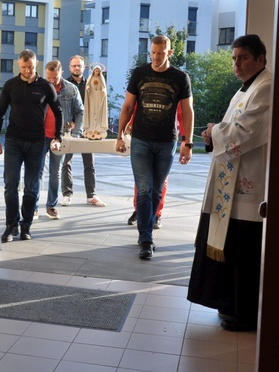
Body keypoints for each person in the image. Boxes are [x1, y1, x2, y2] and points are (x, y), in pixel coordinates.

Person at [187, 34, 272, 332]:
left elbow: (246, 132)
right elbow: (232, 128)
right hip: (230, 184)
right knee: (230, 246)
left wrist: (214, 131)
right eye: (234, 58)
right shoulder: (244, 90)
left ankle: (245, 312)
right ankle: (229, 303)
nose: (236, 64)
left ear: (261, 59)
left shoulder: (267, 88)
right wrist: (215, 134)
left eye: (243, 58)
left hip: (248, 185)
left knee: (243, 251)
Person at [116, 34, 194, 260]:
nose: (156, 57)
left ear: (169, 53)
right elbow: (128, 106)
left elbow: (188, 111)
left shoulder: (180, 77)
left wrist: (187, 143)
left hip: (166, 142)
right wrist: (119, 135)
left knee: (157, 191)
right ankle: (146, 239)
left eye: (161, 53)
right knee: (144, 190)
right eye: (153, 53)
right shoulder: (139, 74)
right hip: (140, 140)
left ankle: (147, 232)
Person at [0, 49, 62, 241]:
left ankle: (26, 225)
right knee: (10, 185)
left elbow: (58, 112)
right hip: (13, 141)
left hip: (37, 143)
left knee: (32, 186)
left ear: (36, 64)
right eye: (23, 67)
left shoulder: (46, 86)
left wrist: (58, 137)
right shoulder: (11, 85)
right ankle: (11, 225)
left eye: (30, 67)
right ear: (18, 65)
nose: (27, 71)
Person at [61, 55, 106, 208]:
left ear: (84, 67)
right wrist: (72, 122)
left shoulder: (91, 84)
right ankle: (67, 194)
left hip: (89, 130)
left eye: (79, 66)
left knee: (89, 163)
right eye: (74, 66)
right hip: (70, 128)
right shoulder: (65, 85)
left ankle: (91, 195)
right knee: (66, 162)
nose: (76, 68)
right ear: (69, 67)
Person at [43, 60, 83, 220]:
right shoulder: (42, 87)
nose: (52, 81)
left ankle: (51, 206)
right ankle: (33, 207)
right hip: (40, 135)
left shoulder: (71, 89)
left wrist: (76, 134)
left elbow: (80, 111)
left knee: (55, 172)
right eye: (49, 78)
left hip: (59, 136)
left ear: (60, 73)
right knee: (36, 172)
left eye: (55, 78)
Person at [83, 66, 108, 140]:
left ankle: (98, 127)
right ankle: (91, 127)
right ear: (93, 71)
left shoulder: (101, 78)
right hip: (91, 96)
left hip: (99, 96)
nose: (97, 72)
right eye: (96, 71)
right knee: (91, 111)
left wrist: (103, 91)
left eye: (98, 71)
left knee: (98, 111)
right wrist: (88, 88)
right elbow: (87, 85)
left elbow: (103, 86)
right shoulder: (90, 78)